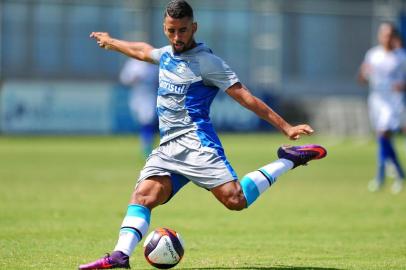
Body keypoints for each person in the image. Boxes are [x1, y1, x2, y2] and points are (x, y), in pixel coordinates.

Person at [80, 1, 327, 269]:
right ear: (164, 28)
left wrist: (286, 127)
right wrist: (111, 41)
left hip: (197, 145)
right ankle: (120, 255)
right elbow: (142, 51)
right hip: (168, 147)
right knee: (143, 197)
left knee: (236, 201)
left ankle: (289, 159)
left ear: (194, 27)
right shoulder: (166, 54)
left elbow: (245, 97)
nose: (177, 37)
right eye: (171, 31)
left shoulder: (208, 63)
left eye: (183, 30)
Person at [358, 22, 406, 194]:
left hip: (393, 101)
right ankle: (396, 174)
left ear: (393, 37)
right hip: (376, 100)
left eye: (388, 35)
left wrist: (402, 85)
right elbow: (362, 78)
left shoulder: (401, 57)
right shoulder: (373, 55)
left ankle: (383, 177)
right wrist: (363, 73)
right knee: (382, 139)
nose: (385, 38)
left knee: (384, 134)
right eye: (383, 34)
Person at [119, 58, 159, 157]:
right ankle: (146, 142)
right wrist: (133, 79)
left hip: (150, 95)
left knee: (147, 120)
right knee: (140, 120)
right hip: (136, 94)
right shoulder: (133, 64)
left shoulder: (154, 65)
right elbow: (124, 79)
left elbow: (160, 81)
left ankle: (147, 146)